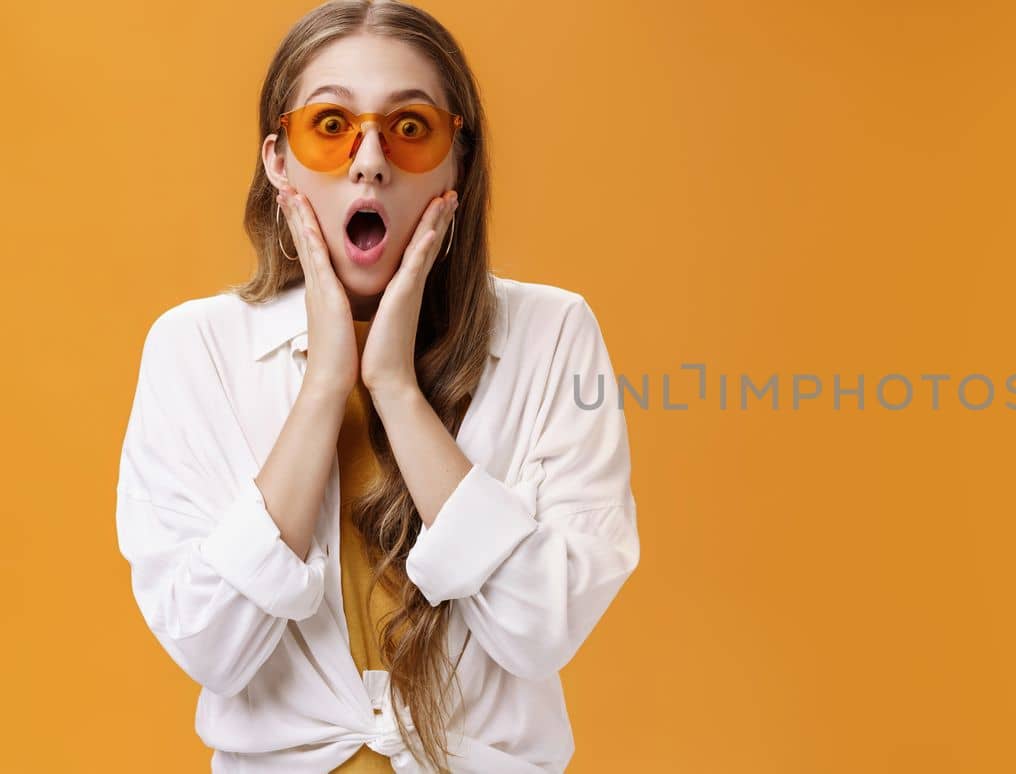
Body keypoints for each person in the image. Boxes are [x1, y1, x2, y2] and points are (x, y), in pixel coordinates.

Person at [112, 2, 641, 771]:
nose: (369, 160)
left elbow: (541, 629)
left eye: (410, 127)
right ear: (278, 161)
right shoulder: (195, 347)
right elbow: (210, 646)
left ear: (458, 159)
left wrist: (393, 386)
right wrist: (327, 384)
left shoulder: (553, 332)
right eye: (330, 126)